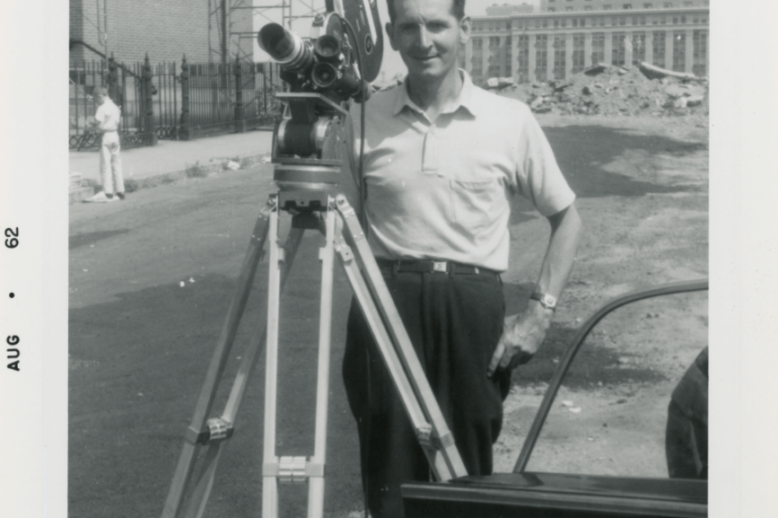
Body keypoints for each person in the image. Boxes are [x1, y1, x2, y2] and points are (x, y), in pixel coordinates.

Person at [340, 0, 583, 516]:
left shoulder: (509, 120)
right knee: (389, 477)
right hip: (387, 308)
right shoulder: (363, 119)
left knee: (466, 481)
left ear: (464, 29)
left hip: (470, 312)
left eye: (436, 25)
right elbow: (342, 227)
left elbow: (567, 219)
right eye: (408, 27)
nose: (422, 40)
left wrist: (541, 311)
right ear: (391, 33)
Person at [84, 86, 125, 203]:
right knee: (117, 163)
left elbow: (99, 124)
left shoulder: (102, 108)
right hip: (115, 135)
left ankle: (108, 193)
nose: (96, 101)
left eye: (96, 99)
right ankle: (120, 191)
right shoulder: (115, 107)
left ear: (100, 96)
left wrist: (89, 126)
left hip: (106, 136)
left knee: (105, 165)